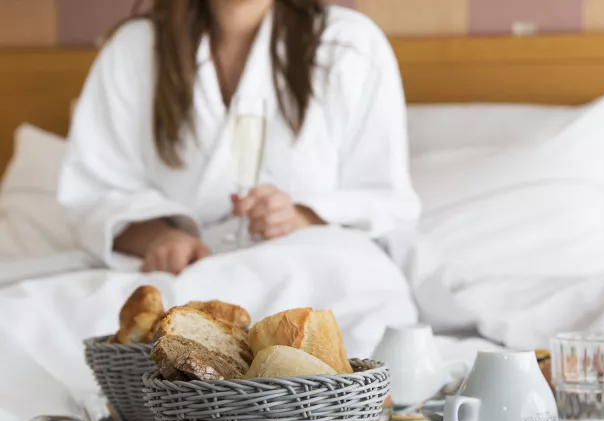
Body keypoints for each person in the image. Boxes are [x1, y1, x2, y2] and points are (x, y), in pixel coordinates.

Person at [58, 0, 420, 274]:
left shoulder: (349, 45)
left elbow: (386, 199)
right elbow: (93, 194)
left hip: (309, 270)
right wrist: (160, 238)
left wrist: (300, 216)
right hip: (177, 280)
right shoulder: (134, 49)